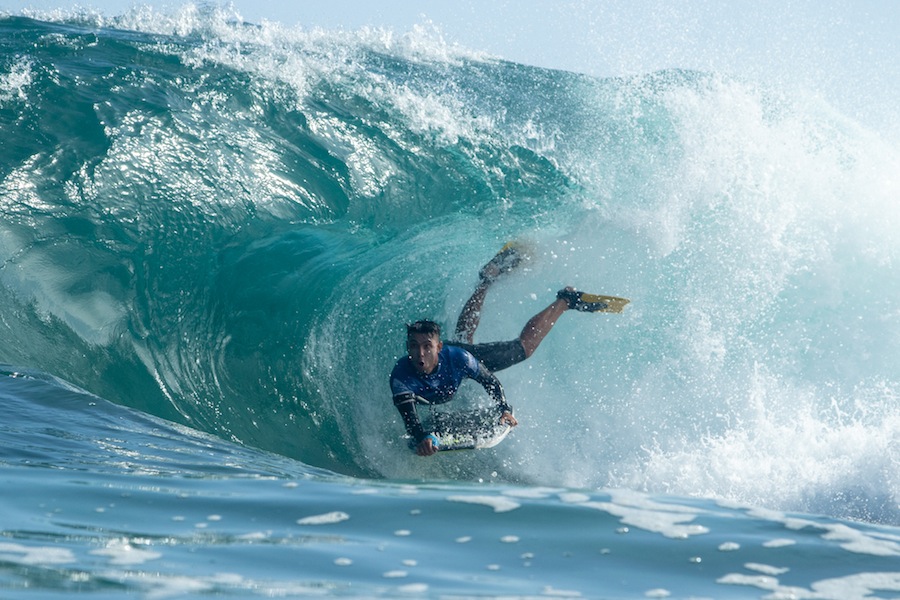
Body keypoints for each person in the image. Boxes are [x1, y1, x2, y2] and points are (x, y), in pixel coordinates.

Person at [389, 243, 612, 456]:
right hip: (453, 357)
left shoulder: (460, 359)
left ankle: (566, 299)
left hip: (456, 357)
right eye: (414, 347)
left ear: (438, 348)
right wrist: (422, 437)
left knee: (522, 349)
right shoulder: (401, 377)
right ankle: (487, 278)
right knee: (464, 339)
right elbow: (410, 418)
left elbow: (490, 381)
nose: (420, 354)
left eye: (427, 347)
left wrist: (504, 408)